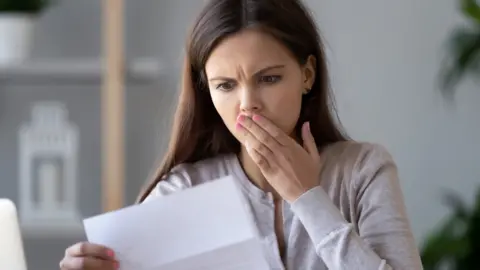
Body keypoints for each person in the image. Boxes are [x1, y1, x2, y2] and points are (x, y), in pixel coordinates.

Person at [59, 0, 423, 269]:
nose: (248, 105)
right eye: (226, 85)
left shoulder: (363, 170)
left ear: (307, 75)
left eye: (269, 79)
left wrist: (308, 198)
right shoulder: (184, 190)